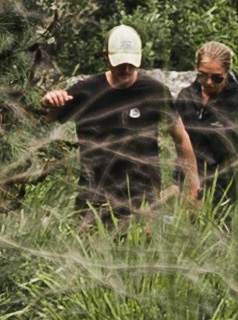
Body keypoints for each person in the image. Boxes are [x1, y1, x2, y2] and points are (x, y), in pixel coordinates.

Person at [29, 22, 183, 217]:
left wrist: (185, 184)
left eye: (131, 63)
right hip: (94, 201)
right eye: (120, 63)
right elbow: (40, 120)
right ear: (106, 56)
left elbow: (181, 138)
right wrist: (46, 102)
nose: (126, 68)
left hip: (143, 201)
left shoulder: (155, 91)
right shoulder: (86, 91)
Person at [177, 40, 238, 210]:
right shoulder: (185, 98)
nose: (209, 82)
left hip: (222, 197)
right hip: (186, 191)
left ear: (227, 73)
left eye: (217, 78)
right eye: (203, 75)